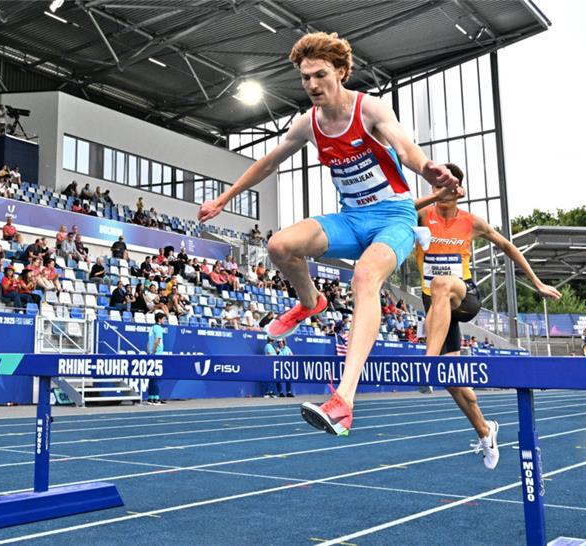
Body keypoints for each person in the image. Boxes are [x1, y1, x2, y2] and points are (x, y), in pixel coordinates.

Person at [197, 32, 457, 436]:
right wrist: (225, 198)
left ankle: (344, 401)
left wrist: (429, 169)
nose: (313, 85)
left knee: (365, 278)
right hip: (350, 220)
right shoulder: (307, 124)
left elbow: (407, 150)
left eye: (320, 75)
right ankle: (310, 302)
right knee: (280, 244)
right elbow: (268, 162)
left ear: (340, 72)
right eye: (305, 78)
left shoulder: (369, 109)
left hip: (394, 219)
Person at [412, 163, 561, 469]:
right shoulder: (420, 215)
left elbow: (507, 245)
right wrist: (434, 196)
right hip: (436, 306)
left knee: (441, 284)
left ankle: (426, 364)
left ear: (457, 190)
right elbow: (396, 210)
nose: (437, 191)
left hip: (463, 296)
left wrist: (537, 282)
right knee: (452, 379)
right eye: (433, 186)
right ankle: (485, 430)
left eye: (444, 186)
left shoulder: (471, 222)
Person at [146, 312, 167, 405]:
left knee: (152, 377)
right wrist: (154, 351)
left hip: (152, 354)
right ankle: (156, 398)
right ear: (159, 319)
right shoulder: (158, 328)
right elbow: (157, 340)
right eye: (163, 319)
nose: (164, 320)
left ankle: (152, 397)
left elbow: (148, 342)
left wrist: (149, 352)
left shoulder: (152, 328)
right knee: (156, 377)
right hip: (157, 354)